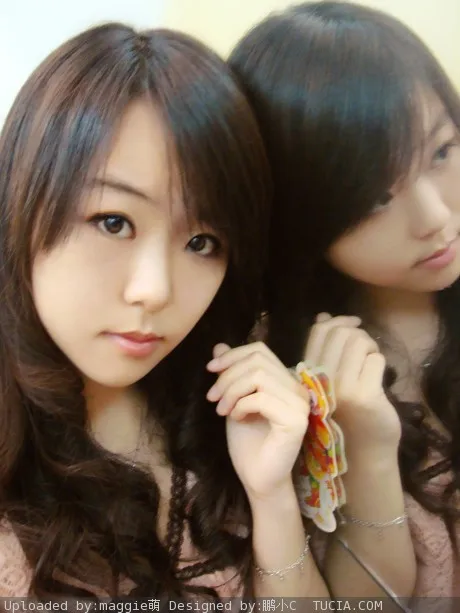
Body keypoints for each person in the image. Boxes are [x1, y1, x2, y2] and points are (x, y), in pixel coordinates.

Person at [0, 23, 329, 600]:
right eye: (113, 222)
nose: (155, 291)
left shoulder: (220, 425)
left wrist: (271, 499)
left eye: (202, 242)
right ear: (22, 201)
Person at [229, 0, 460, 600]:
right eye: (378, 197)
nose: (437, 216)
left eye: (442, 151)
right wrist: (370, 453)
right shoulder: (283, 384)